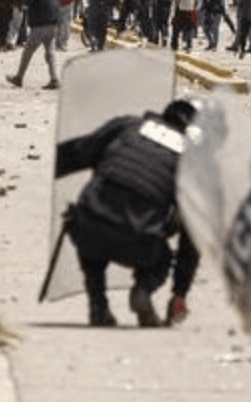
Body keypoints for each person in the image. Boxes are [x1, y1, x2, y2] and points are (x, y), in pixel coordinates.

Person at [55, 100, 201, 327]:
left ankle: (98, 305)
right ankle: (143, 289)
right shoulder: (191, 160)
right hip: (140, 244)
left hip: (90, 231)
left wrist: (49, 170)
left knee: (91, 216)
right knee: (163, 254)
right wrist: (179, 292)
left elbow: (77, 152)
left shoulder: (127, 126)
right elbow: (191, 236)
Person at [6, 0, 61, 90]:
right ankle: (54, 78)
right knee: (50, 53)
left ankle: (19, 78)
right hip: (52, 24)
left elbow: (27, 1)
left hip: (39, 25)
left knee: (27, 52)